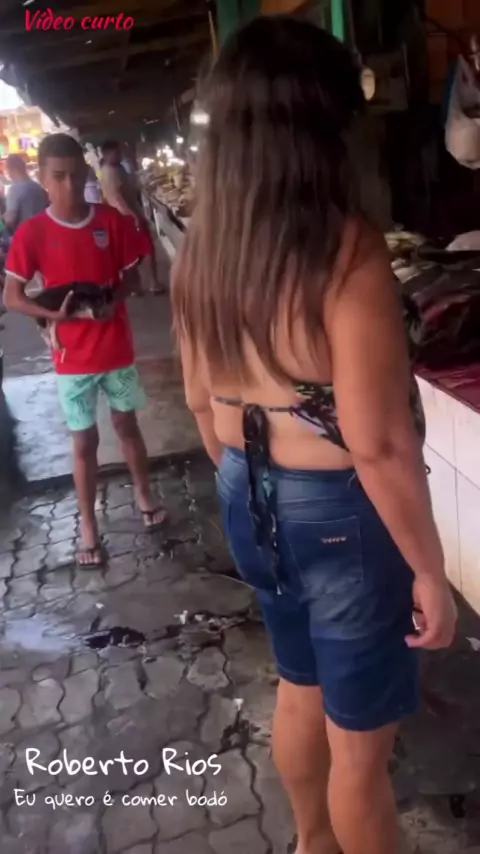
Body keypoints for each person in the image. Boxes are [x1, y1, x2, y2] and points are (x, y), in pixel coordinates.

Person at [172, 17, 457, 854]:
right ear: (323, 128)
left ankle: (310, 843)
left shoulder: (203, 252)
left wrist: (253, 487)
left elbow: (199, 403)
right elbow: (378, 444)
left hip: (245, 492)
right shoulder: (345, 252)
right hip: (339, 516)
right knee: (361, 754)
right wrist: (430, 572)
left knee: (299, 688)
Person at [3, 133, 166, 568]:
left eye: (77, 176)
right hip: (71, 360)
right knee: (84, 442)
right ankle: (89, 527)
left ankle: (145, 496)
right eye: (59, 177)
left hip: (116, 349)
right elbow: (12, 297)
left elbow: (132, 278)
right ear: (43, 179)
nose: (70, 186)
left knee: (127, 426)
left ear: (86, 174)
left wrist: (114, 298)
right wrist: (52, 315)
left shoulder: (110, 222)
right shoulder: (33, 233)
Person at [100, 140, 163, 294]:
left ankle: (136, 286)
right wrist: (133, 215)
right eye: (116, 152)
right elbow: (116, 197)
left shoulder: (116, 168)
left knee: (132, 252)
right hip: (126, 216)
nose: (119, 154)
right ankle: (153, 283)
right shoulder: (110, 171)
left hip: (124, 215)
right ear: (107, 154)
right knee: (146, 247)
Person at [4, 153, 48, 233]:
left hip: (24, 235)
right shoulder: (38, 187)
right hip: (43, 233)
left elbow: (10, 218)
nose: (8, 174)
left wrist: (2, 220)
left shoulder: (14, 190)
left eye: (7, 170)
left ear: (13, 170)